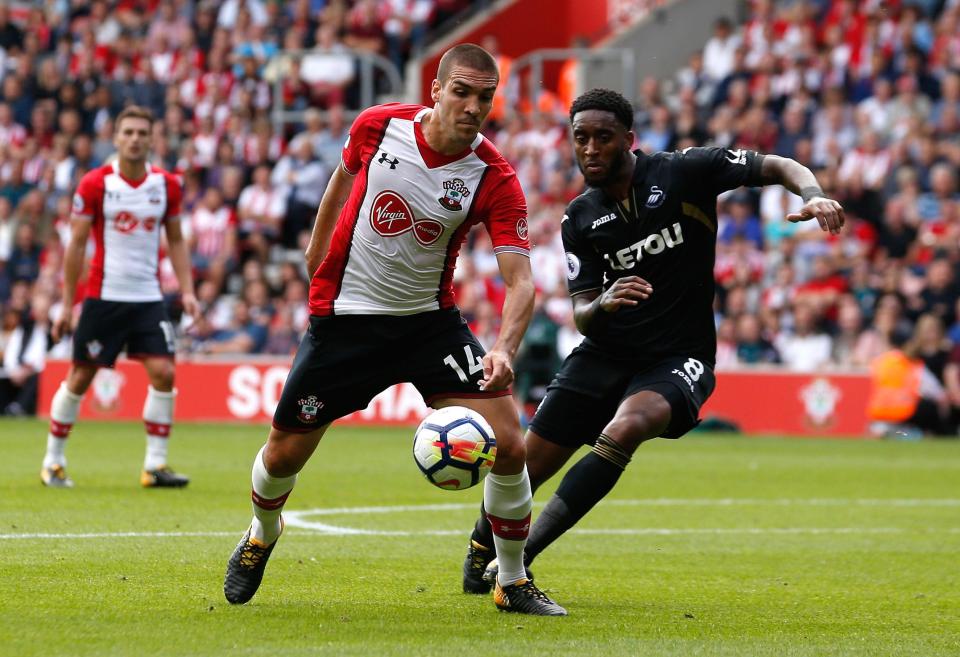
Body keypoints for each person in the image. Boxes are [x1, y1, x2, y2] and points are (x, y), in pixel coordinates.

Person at [223, 44, 566, 616]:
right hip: (347, 322)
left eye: (485, 97)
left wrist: (504, 348)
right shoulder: (378, 127)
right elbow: (342, 177)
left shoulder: (494, 176)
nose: (473, 107)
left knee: (510, 445)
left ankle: (511, 579)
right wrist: (316, 249)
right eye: (462, 92)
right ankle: (262, 532)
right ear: (435, 90)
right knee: (282, 457)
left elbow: (522, 280)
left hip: (428, 326)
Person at [463, 88, 844, 592]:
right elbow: (582, 315)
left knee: (626, 428)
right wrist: (604, 302)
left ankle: (518, 559)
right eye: (581, 139)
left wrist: (811, 192)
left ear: (629, 140)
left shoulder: (684, 171)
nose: (591, 149)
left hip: (676, 357)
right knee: (526, 464)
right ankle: (479, 551)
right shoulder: (580, 217)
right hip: (605, 352)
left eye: (603, 137)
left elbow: (774, 165)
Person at [40, 105, 200, 489]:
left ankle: (154, 466)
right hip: (104, 296)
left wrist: (188, 290)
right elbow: (76, 245)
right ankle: (53, 461)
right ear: (115, 138)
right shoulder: (95, 184)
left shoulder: (166, 185)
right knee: (80, 376)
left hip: (148, 297)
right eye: (127, 132)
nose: (134, 139)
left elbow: (176, 240)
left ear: (151, 139)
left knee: (164, 372)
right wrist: (66, 304)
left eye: (142, 133)